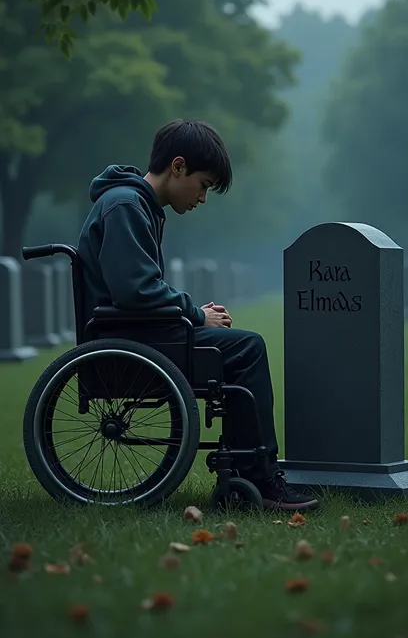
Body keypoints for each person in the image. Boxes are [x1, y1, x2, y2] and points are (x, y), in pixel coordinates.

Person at [77, 119, 322, 511]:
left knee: (239, 345)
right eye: (204, 185)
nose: (203, 198)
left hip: (136, 335)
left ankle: (247, 474)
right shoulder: (125, 205)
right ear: (178, 167)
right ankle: (256, 478)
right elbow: (134, 289)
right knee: (247, 347)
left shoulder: (135, 204)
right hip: (130, 343)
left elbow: (138, 287)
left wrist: (190, 313)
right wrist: (194, 314)